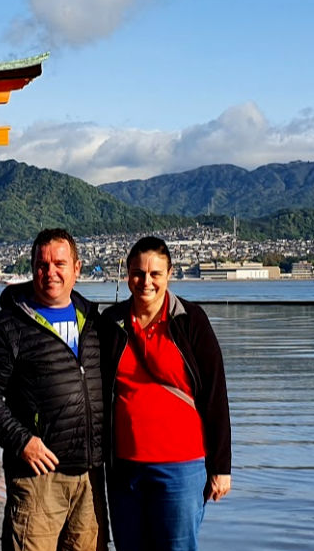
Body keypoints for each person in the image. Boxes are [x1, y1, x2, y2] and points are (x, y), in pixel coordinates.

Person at [0, 228, 107, 551]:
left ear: (77, 268)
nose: (51, 272)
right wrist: (21, 441)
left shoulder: (95, 322)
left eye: (60, 263)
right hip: (37, 477)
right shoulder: (7, 325)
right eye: (42, 265)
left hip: (89, 476)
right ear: (32, 269)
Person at [100, 236, 231, 551]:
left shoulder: (190, 320)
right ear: (127, 274)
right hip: (124, 467)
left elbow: (215, 394)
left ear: (169, 273)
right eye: (137, 273)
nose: (146, 281)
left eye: (155, 274)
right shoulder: (111, 323)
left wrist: (221, 466)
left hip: (181, 468)